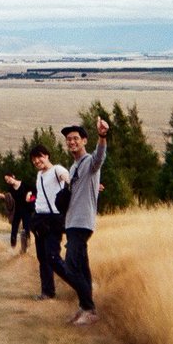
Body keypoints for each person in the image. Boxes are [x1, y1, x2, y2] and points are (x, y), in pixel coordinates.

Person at [60, 117, 109, 326]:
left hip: (82, 222)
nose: (71, 142)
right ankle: (85, 307)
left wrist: (102, 135)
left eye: (75, 138)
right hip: (72, 221)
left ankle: (89, 308)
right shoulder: (73, 167)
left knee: (71, 265)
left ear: (84, 141)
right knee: (81, 266)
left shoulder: (89, 161)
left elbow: (99, 157)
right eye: (69, 139)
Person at [28, 144, 70, 301]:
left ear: (47, 155)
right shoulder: (39, 175)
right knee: (42, 257)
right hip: (39, 219)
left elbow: (67, 177)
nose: (37, 161)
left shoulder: (57, 169)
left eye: (39, 157)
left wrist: (79, 183)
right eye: (34, 159)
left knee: (53, 257)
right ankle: (47, 292)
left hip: (53, 219)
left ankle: (81, 284)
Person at [0, 173, 33, 253]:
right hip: (16, 211)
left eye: (8, 178)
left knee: (26, 228)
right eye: (6, 180)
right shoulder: (10, 190)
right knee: (14, 228)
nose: (8, 181)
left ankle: (26, 247)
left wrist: (29, 194)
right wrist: (3, 197)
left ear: (13, 176)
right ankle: (13, 247)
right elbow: (9, 199)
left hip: (26, 210)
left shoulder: (24, 184)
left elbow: (34, 191)